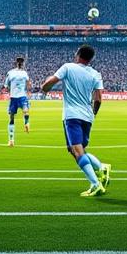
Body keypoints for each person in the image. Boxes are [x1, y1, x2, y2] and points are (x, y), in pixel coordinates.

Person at [41, 45, 110, 197]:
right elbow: (98, 99)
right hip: (87, 116)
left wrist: (44, 88)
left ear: (78, 55)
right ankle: (101, 167)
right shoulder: (96, 74)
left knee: (77, 152)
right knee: (76, 149)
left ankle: (95, 184)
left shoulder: (68, 67)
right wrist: (93, 113)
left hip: (72, 115)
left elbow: (51, 81)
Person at [3, 56, 32, 146]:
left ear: (23, 63)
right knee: (11, 118)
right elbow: (6, 85)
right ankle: (11, 140)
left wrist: (29, 91)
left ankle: (26, 123)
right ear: (16, 63)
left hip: (22, 96)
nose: (20, 63)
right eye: (19, 61)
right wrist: (8, 89)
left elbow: (28, 83)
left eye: (21, 61)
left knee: (26, 111)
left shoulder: (24, 73)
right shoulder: (10, 73)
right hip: (13, 98)